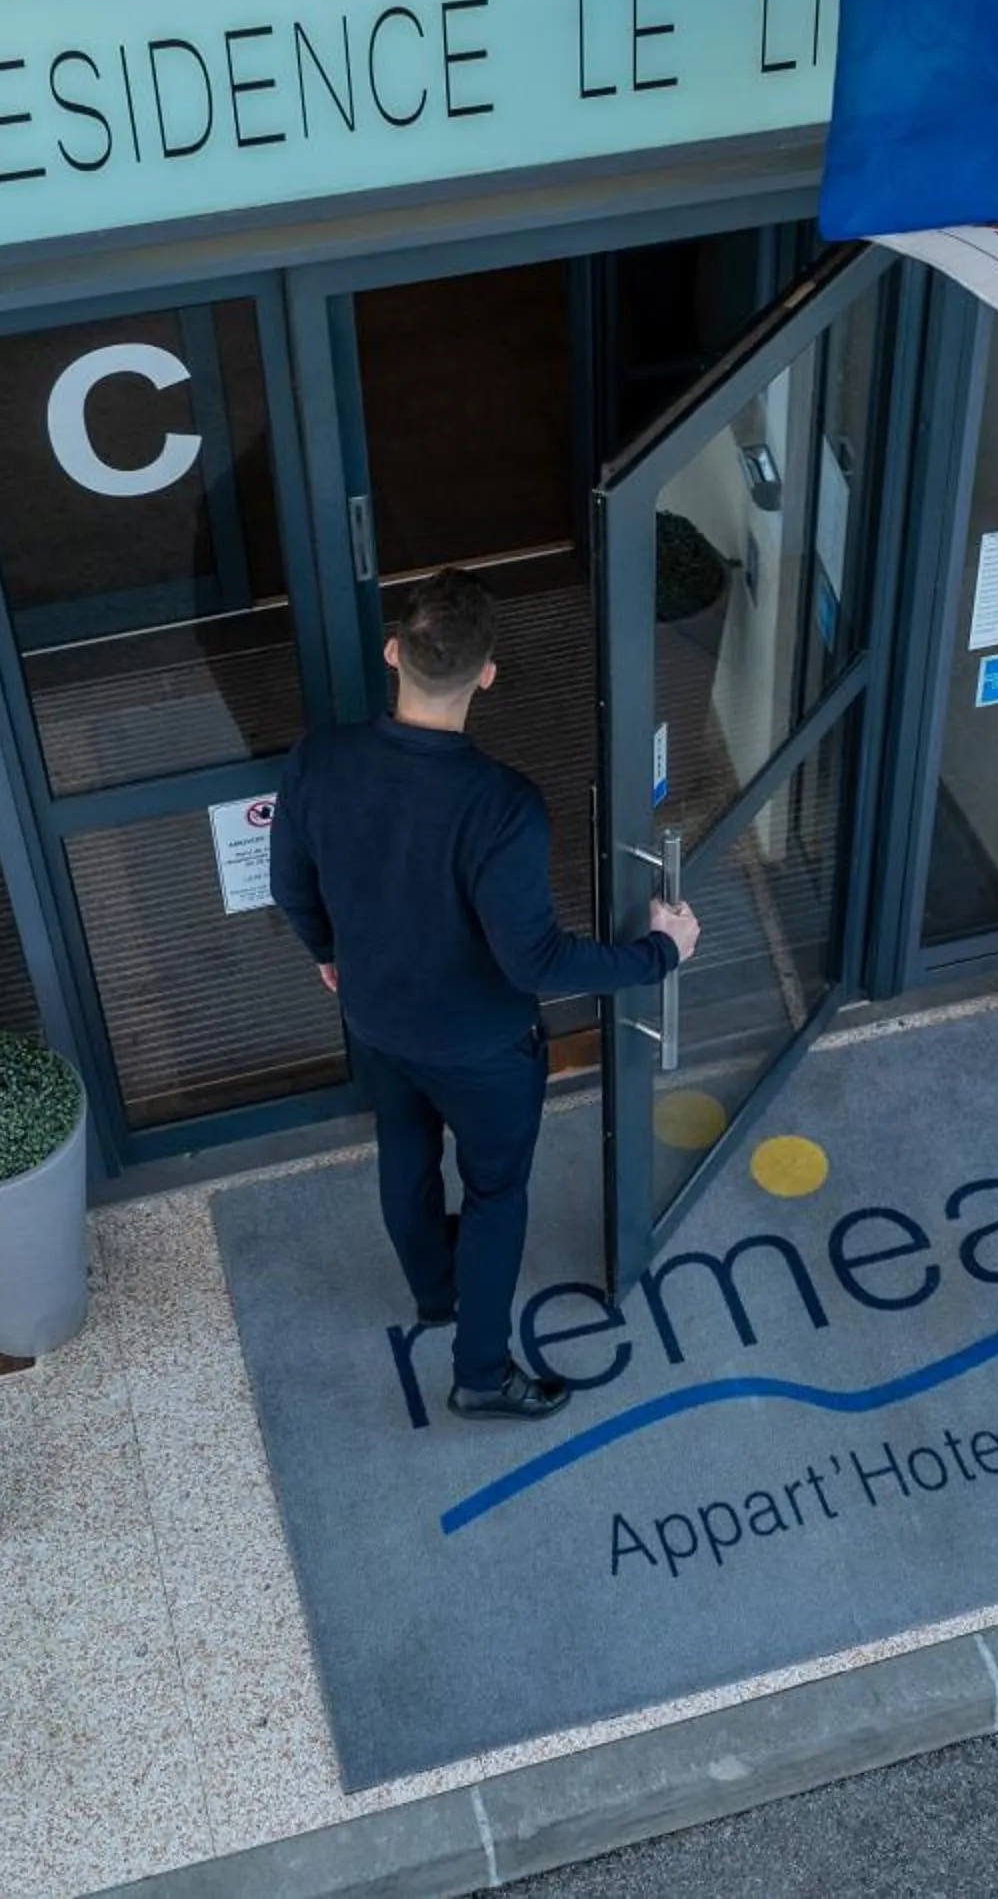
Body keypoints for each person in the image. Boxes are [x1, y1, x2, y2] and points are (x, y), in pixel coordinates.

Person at [270, 567, 702, 1422]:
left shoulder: (320, 758)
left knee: (404, 1150)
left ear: (393, 653)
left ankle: (434, 1292)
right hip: (482, 1049)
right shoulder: (504, 806)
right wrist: (657, 954)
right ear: (489, 675)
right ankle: (480, 1372)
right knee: (497, 1192)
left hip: (378, 1020)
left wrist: (329, 952)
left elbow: (291, 883)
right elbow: (535, 962)